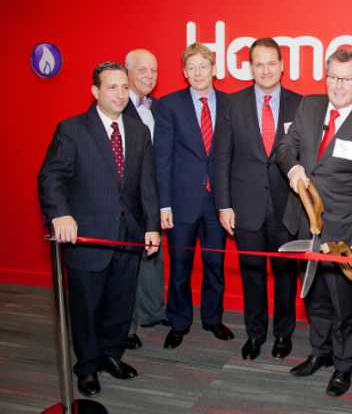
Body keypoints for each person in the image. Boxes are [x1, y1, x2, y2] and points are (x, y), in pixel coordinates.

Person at [38, 62, 160, 397]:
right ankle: (88, 366)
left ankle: (111, 355)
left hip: (129, 236)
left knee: (120, 306)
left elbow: (147, 184)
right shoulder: (72, 129)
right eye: (112, 87)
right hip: (87, 238)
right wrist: (59, 215)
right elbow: (51, 177)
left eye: (124, 87)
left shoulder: (138, 132)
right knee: (86, 308)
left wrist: (152, 227)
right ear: (95, 92)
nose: (120, 94)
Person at [276, 48, 352, 397]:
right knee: (314, 297)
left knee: (342, 305)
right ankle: (319, 353)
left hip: (341, 232)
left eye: (347, 79)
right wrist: (291, 166)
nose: (338, 86)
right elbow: (284, 147)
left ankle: (343, 365)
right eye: (333, 77)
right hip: (304, 226)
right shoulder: (308, 106)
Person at [214, 38, 302, 360]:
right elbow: (221, 158)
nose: (265, 70)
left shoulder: (300, 104)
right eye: (259, 64)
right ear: (251, 68)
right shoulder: (233, 104)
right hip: (245, 208)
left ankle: (283, 334)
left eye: (271, 63)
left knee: (284, 276)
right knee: (251, 275)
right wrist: (223, 205)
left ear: (281, 66)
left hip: (286, 208)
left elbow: (304, 158)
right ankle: (255, 334)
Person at [154, 42, 233, 349]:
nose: (199, 73)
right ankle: (179, 321)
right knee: (180, 267)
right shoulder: (169, 105)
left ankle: (213, 319)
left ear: (213, 68)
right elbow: (162, 158)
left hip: (218, 203)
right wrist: (164, 203)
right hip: (182, 202)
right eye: (192, 68)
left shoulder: (230, 104)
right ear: (185, 73)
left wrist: (231, 202)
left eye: (204, 66)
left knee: (215, 265)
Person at [123, 48, 167, 350]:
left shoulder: (156, 107)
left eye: (153, 70)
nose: (149, 76)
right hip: (127, 200)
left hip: (153, 196)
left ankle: (151, 312)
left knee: (152, 256)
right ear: (127, 72)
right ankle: (125, 326)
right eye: (142, 70)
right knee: (125, 265)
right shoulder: (116, 105)